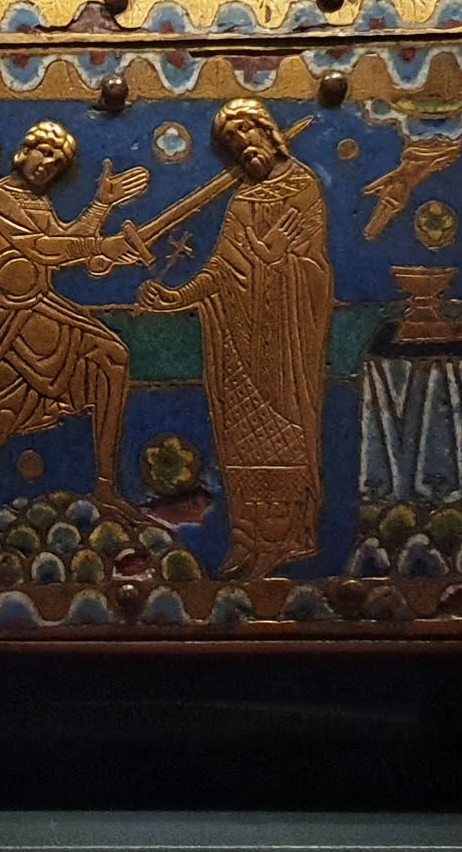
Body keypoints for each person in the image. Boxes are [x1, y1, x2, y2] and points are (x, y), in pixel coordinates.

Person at [0, 122, 150, 559]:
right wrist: (103, 246)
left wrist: (102, 208)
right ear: (23, 152)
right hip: (15, 317)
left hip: (44, 309)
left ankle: (106, 486)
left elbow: (65, 243)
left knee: (113, 357)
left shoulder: (36, 201)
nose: (49, 165)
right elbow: (44, 248)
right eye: (44, 152)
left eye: (58, 162)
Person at [136, 100, 332, 576]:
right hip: (240, 341)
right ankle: (249, 536)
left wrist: (281, 260)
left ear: (268, 130)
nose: (241, 143)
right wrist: (176, 297)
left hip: (286, 341)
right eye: (230, 140)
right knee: (241, 439)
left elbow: (314, 268)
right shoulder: (242, 201)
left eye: (245, 130)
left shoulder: (303, 187)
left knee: (286, 434)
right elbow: (221, 269)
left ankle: (286, 536)